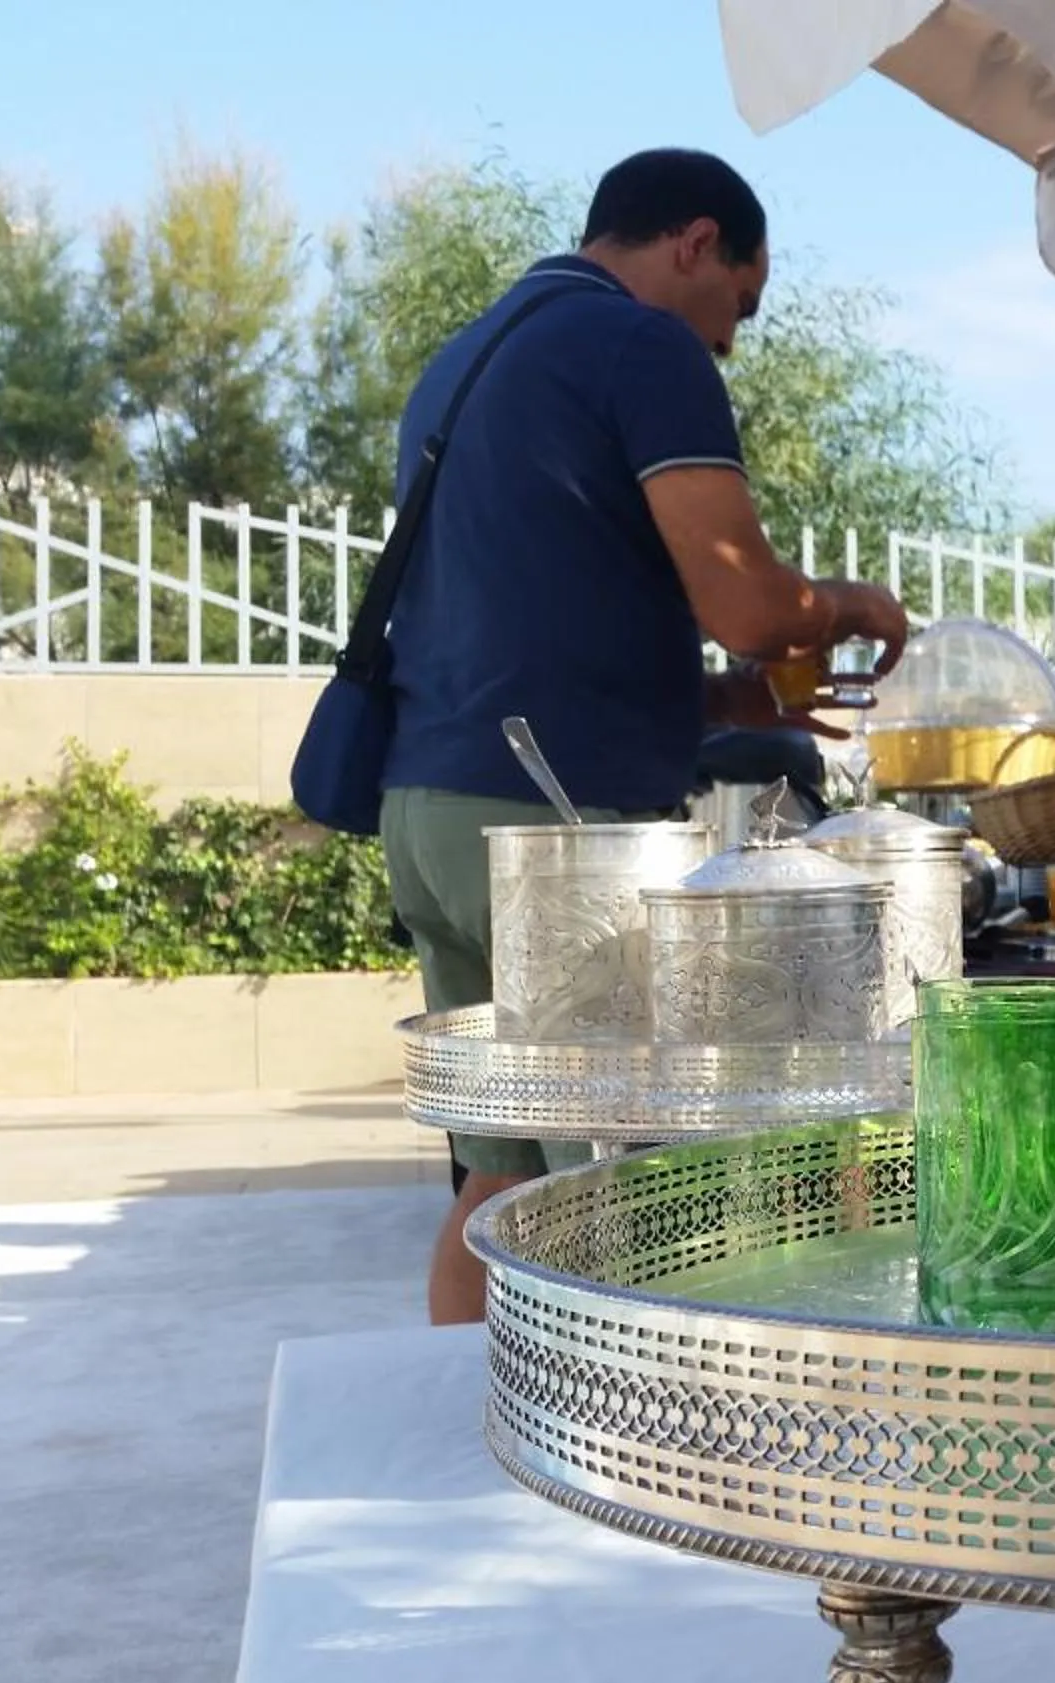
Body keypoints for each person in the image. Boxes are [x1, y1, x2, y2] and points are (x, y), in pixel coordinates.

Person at [378, 148, 909, 1327]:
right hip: (554, 840)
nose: (728, 340)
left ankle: (472, 1451)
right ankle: (631, 1482)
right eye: (741, 304)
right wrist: (851, 606)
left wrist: (720, 707)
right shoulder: (643, 344)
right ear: (696, 244)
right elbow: (749, 604)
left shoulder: (466, 358)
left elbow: (524, 611)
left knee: (494, 1182)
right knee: (642, 1198)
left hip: (431, 808)